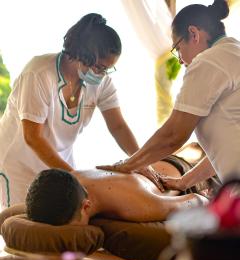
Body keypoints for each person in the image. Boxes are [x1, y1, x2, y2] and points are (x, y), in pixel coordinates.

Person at [0, 13, 141, 210]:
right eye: (100, 67)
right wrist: (77, 178)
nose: (102, 74)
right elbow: (33, 137)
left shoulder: (101, 82)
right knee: (23, 226)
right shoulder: (38, 74)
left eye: (108, 69)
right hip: (20, 164)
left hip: (60, 161)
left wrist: (141, 162)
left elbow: (118, 126)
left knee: (62, 220)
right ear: (82, 54)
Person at [98, 0, 240, 193]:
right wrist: (184, 182)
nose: (180, 60)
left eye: (178, 48)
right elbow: (225, 149)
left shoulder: (208, 62)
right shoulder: (232, 53)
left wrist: (128, 165)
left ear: (193, 34)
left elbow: (174, 135)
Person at [26, 164, 208, 226]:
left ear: (86, 206)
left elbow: (197, 200)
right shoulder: (70, 179)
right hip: (149, 165)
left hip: (187, 169)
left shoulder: (135, 207)